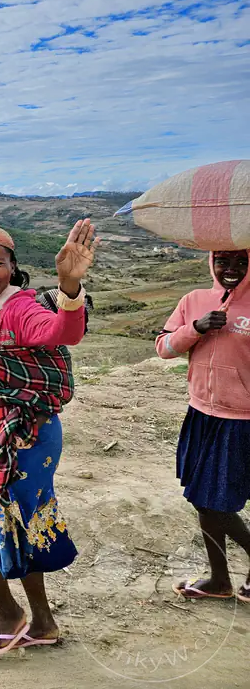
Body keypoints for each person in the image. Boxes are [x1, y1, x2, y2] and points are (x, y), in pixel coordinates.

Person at [0, 221, 96, 656]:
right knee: (6, 524)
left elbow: (63, 333)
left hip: (27, 436)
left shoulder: (19, 308)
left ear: (13, 267)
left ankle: (10, 614)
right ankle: (40, 621)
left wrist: (69, 285)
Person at [156, 249, 250, 602]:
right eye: (223, 261)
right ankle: (220, 580)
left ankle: (223, 577)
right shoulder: (193, 300)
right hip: (200, 413)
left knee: (216, 501)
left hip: (241, 420)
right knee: (203, 499)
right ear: (212, 262)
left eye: (242, 262)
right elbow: (164, 347)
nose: (231, 269)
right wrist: (196, 328)